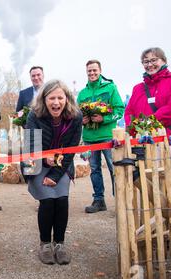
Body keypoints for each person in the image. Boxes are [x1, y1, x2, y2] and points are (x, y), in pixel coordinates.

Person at [25, 80, 82, 265]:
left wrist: (56, 175)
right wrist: (44, 157)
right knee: (48, 201)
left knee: (62, 200)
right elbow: (31, 144)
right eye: (52, 98)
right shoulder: (34, 115)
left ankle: (60, 244)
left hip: (62, 164)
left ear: (67, 99)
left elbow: (71, 149)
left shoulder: (76, 117)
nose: (56, 102)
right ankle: (45, 244)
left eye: (60, 97)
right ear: (44, 99)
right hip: (37, 163)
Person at [77, 60, 125, 214]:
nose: (92, 73)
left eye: (94, 70)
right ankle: (99, 201)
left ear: (100, 70)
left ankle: (120, 202)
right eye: (89, 71)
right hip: (90, 137)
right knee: (95, 170)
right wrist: (81, 120)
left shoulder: (110, 88)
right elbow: (76, 114)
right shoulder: (82, 93)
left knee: (114, 168)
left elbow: (120, 109)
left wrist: (104, 119)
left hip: (107, 137)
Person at [125, 47, 171, 136]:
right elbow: (129, 112)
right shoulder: (137, 88)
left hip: (167, 138)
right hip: (142, 140)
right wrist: (134, 128)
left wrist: (148, 122)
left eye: (154, 60)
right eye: (146, 62)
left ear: (164, 61)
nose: (149, 64)